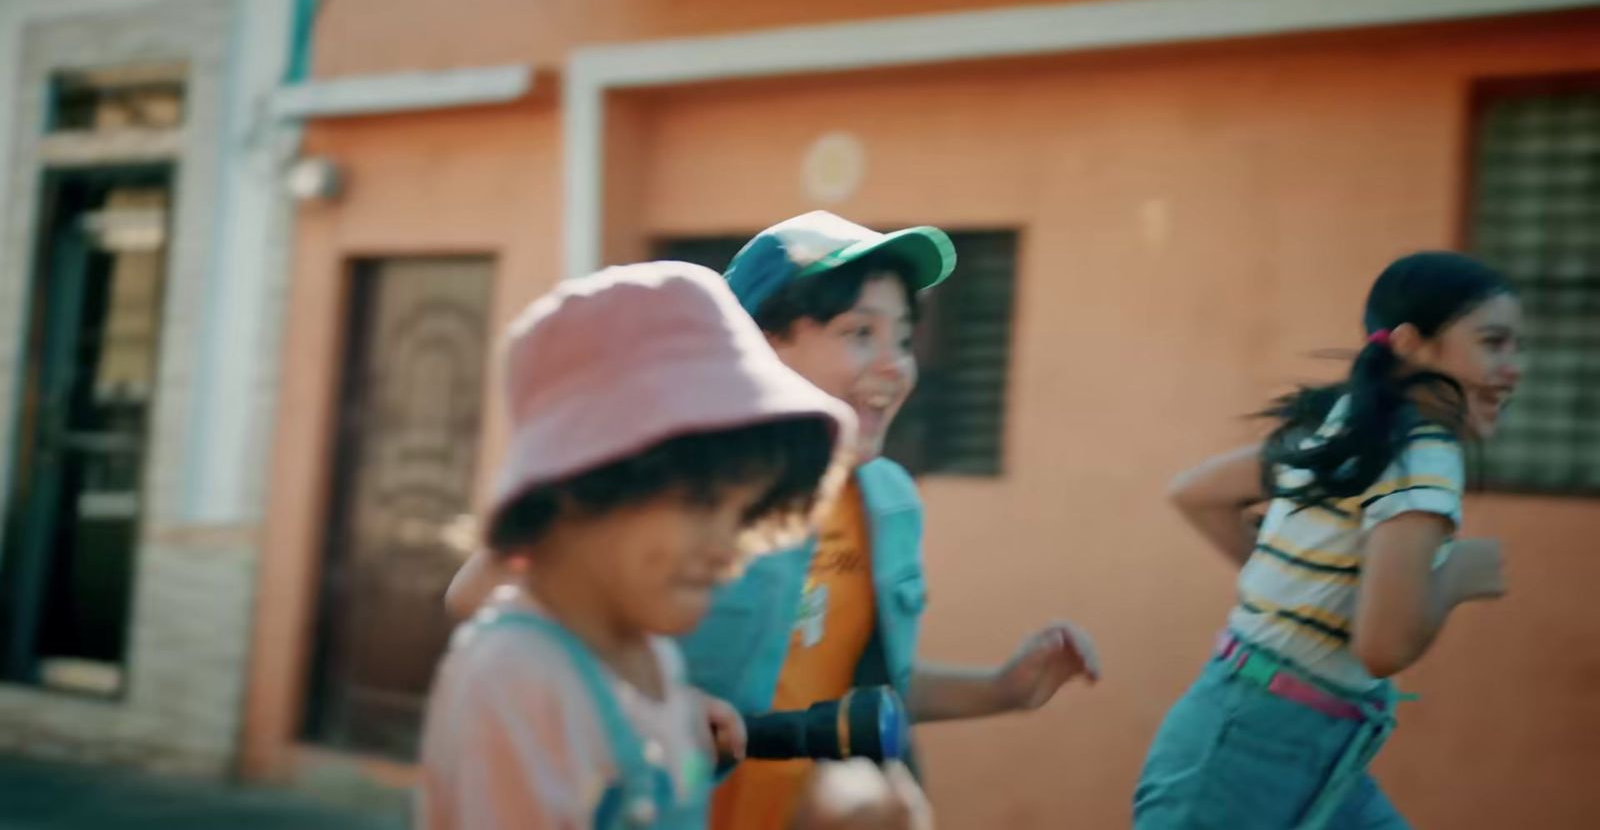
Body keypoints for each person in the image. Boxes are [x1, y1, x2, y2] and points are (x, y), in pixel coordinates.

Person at [447, 211, 1100, 830]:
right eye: (858, 332)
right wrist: (655, 703)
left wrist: (1002, 689)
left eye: (903, 337)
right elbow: (482, 596)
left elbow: (857, 691)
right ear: (758, 345)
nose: (896, 364)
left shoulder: (888, 502)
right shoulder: (661, 479)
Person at [417, 261, 853, 829]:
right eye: (701, 504)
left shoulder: (651, 660)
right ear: (587, 482)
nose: (730, 550)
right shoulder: (518, 676)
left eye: (742, 513)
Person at [1133, 252, 1522, 829]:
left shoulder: (1347, 425)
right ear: (1414, 346)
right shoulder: (1425, 454)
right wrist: (1456, 576)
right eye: (1493, 343)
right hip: (1247, 757)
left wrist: (1295, 593)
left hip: (1288, 739)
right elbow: (1384, 646)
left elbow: (1198, 493)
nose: (1513, 367)